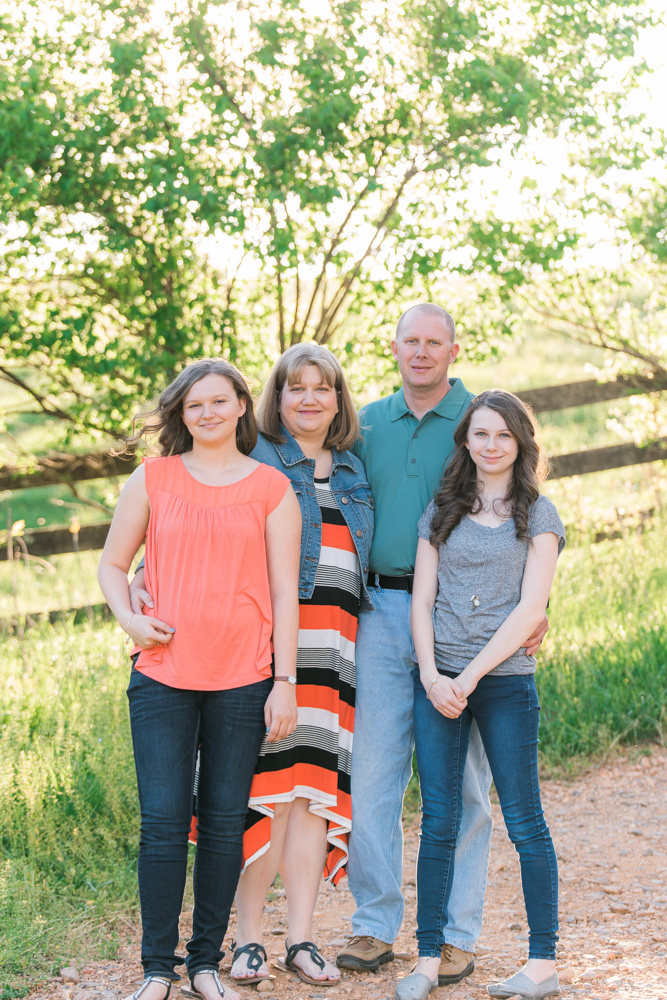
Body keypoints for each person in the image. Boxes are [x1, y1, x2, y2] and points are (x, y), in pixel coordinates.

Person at [130, 345, 373, 989]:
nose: (310, 399)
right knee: (255, 799)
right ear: (269, 399)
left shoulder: (353, 466)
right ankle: (236, 944)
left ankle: (291, 939)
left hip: (328, 653)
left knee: (310, 795)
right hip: (257, 657)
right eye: (296, 388)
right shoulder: (259, 460)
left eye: (324, 388)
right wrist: (133, 591)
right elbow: (168, 538)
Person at [337, 304, 548, 985]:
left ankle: (456, 936)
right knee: (372, 775)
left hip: (464, 624)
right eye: (410, 341)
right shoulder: (363, 422)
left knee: (465, 792)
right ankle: (374, 923)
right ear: (392, 346)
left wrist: (534, 614)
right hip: (380, 608)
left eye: (434, 342)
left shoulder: (477, 424)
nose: (421, 353)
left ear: (452, 350)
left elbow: (519, 532)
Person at [98, 359, 301, 1000]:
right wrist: (131, 620)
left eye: (219, 401)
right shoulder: (153, 479)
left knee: (220, 822)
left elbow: (285, 594)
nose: (207, 413)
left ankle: (205, 963)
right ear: (181, 415)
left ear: (243, 405)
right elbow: (111, 563)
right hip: (162, 674)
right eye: (194, 405)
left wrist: (286, 680)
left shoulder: (272, 489)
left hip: (244, 677)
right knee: (162, 823)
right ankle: (157, 968)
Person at [398, 389, 564, 1000]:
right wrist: (432, 676)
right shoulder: (442, 509)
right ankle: (424, 960)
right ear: (465, 440)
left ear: (520, 444)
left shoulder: (539, 515)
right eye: (480, 434)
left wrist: (469, 678)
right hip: (437, 680)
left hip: (502, 685)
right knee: (439, 820)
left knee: (526, 821)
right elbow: (421, 598)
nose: (491, 446)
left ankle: (542, 962)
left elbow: (530, 608)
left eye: (503, 436)